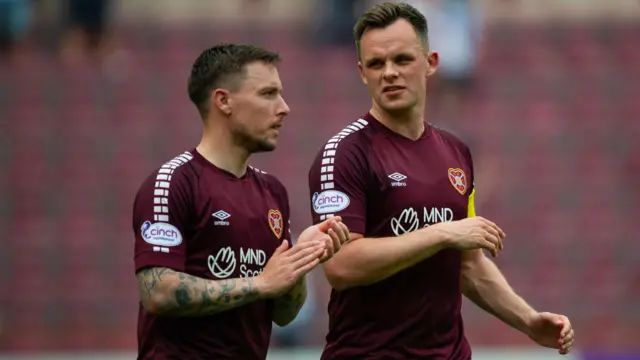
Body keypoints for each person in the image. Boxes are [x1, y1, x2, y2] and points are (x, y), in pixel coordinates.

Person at [307, 2, 574, 359]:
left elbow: (470, 264)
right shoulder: (344, 154)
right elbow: (340, 266)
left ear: (430, 63)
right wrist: (442, 232)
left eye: (402, 60)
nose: (389, 72)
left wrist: (527, 320)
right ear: (362, 72)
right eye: (376, 63)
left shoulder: (457, 154)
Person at [132, 43, 349, 360]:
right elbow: (158, 292)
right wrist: (259, 283)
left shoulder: (272, 192)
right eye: (267, 94)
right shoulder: (172, 183)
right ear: (223, 101)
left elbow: (284, 314)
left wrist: (302, 259)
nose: (284, 107)